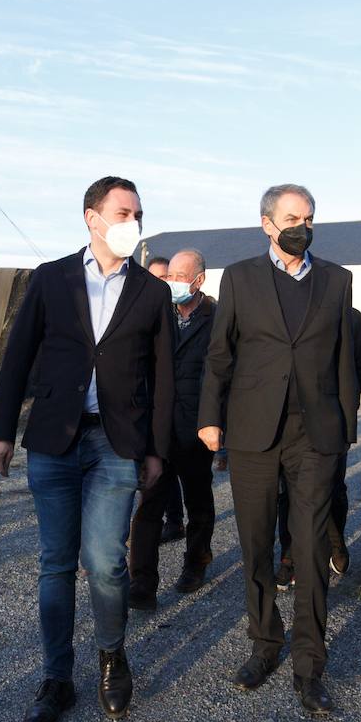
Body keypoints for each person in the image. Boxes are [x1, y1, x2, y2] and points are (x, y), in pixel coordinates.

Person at [0, 176, 173, 722]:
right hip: (54, 440)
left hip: (116, 444)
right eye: (123, 212)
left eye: (138, 213)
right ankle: (56, 679)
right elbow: (16, 357)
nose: (132, 222)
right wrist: (0, 432)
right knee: (55, 564)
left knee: (107, 562)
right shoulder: (51, 279)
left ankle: (112, 657)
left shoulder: (152, 290)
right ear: (92, 218)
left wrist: (156, 449)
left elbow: (165, 379)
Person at [199, 183, 359, 715]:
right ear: (267, 223)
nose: (303, 226)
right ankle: (265, 643)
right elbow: (220, 354)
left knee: (310, 547)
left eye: (309, 217)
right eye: (292, 217)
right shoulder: (240, 278)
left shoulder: (337, 280)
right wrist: (210, 419)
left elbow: (343, 359)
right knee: (255, 541)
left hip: (314, 433)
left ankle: (310, 663)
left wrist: (343, 431)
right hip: (252, 431)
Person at [128, 248, 218, 606]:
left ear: (199, 279)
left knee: (198, 501)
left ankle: (196, 561)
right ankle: (142, 583)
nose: (175, 283)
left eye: (182, 276)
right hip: (158, 429)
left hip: (196, 429)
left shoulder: (219, 318)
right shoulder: (159, 315)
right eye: (171, 276)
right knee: (150, 504)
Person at [275, 307, 361, 588]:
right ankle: (289, 556)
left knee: (331, 487)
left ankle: (336, 544)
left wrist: (337, 394)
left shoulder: (350, 317)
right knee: (287, 491)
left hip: (332, 418)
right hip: (287, 420)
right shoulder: (285, 315)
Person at [143, 255, 185, 542]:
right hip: (147, 403)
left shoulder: (182, 314)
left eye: (165, 278)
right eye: (155, 278)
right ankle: (153, 522)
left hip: (178, 406)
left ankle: (174, 519)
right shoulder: (141, 313)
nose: (161, 283)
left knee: (170, 468)